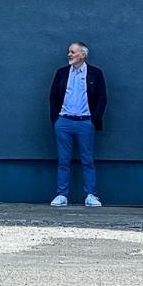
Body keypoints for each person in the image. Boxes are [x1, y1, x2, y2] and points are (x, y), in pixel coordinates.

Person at [48, 41, 107, 207]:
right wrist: (56, 120)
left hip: (85, 122)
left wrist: (94, 120)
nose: (69, 54)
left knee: (87, 160)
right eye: (69, 51)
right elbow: (53, 96)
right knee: (63, 160)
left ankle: (91, 195)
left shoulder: (95, 73)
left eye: (73, 52)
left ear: (83, 55)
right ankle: (62, 194)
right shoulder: (61, 73)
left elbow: (102, 98)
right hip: (64, 122)